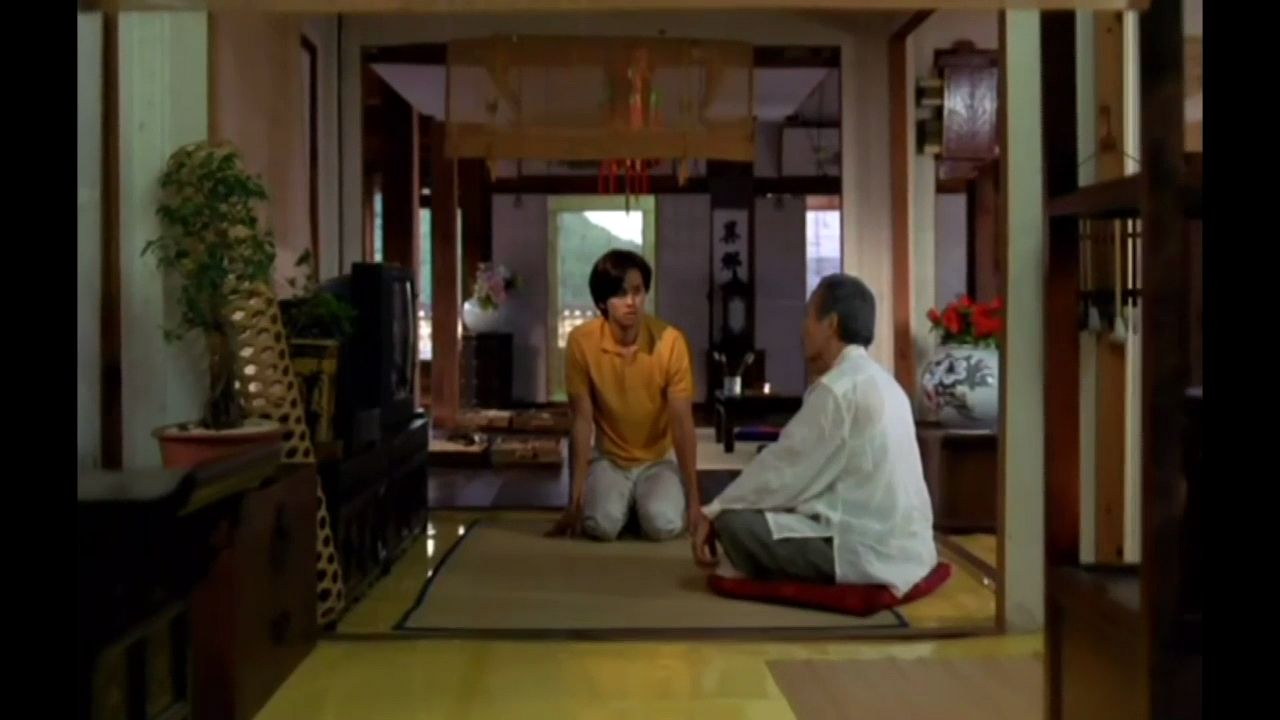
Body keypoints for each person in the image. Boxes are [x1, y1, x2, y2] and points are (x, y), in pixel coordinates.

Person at [689, 274, 937, 596]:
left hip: (865, 549)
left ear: (831, 324)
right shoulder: (887, 383)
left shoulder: (838, 389)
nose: (802, 329)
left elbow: (781, 471)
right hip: (911, 547)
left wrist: (713, 511)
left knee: (734, 523)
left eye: (808, 316)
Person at [547, 249, 700, 541]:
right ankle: (623, 505)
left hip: (657, 458)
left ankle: (644, 504)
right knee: (600, 526)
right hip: (610, 459)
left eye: (637, 291)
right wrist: (574, 500)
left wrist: (694, 503)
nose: (631, 302)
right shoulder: (582, 342)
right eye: (620, 294)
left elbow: (682, 423)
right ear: (602, 302)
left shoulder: (670, 342)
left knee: (663, 525)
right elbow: (581, 422)